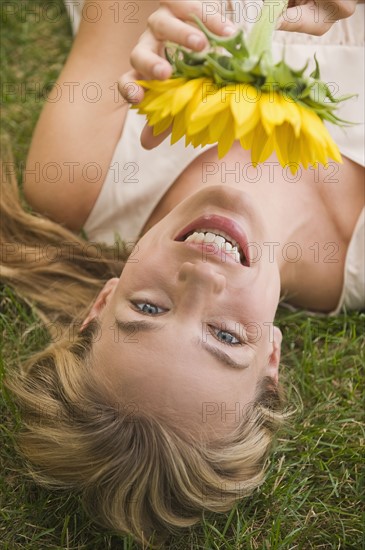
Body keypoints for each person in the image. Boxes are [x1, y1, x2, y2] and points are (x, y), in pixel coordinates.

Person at [1, 0, 364, 545]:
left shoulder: (79, 176)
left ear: (103, 301)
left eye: (147, 309)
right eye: (223, 336)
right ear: (271, 354)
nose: (203, 278)